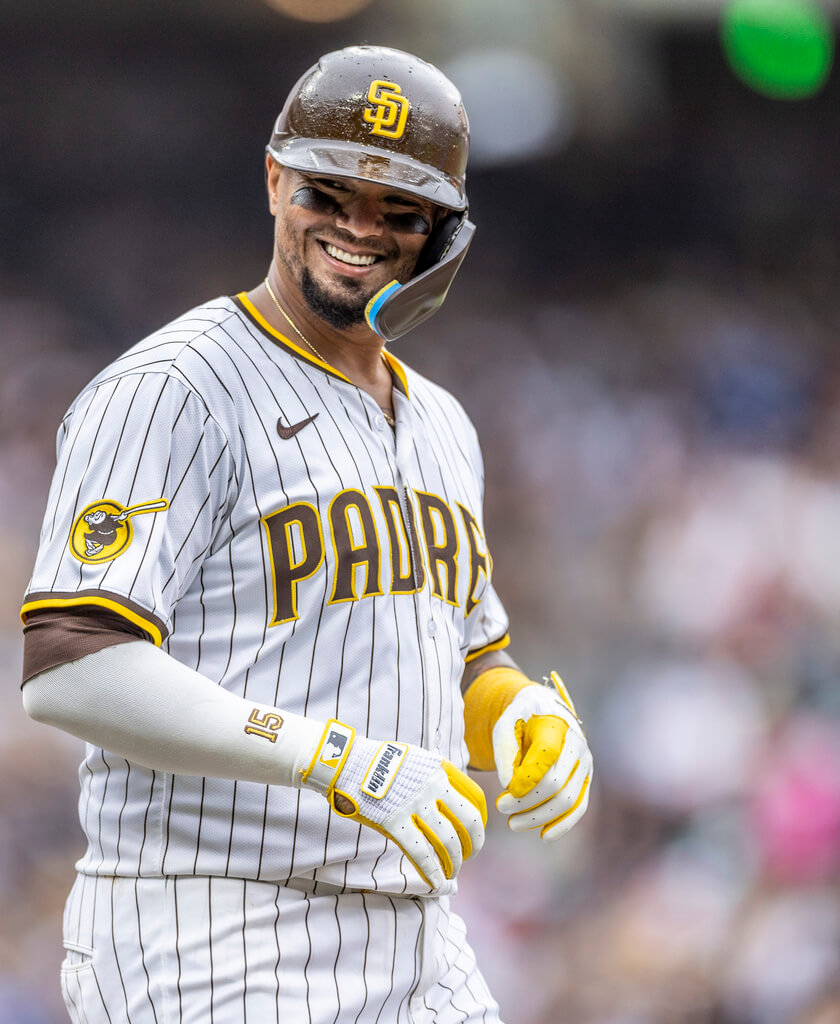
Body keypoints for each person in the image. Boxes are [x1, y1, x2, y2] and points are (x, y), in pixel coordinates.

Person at [20, 45, 593, 1024]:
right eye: (331, 192)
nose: (359, 228)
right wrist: (339, 758)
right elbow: (71, 664)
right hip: (208, 925)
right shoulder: (174, 388)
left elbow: (463, 666)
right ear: (277, 180)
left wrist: (527, 722)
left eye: (398, 208)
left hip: (415, 927)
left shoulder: (445, 424)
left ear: (443, 230)